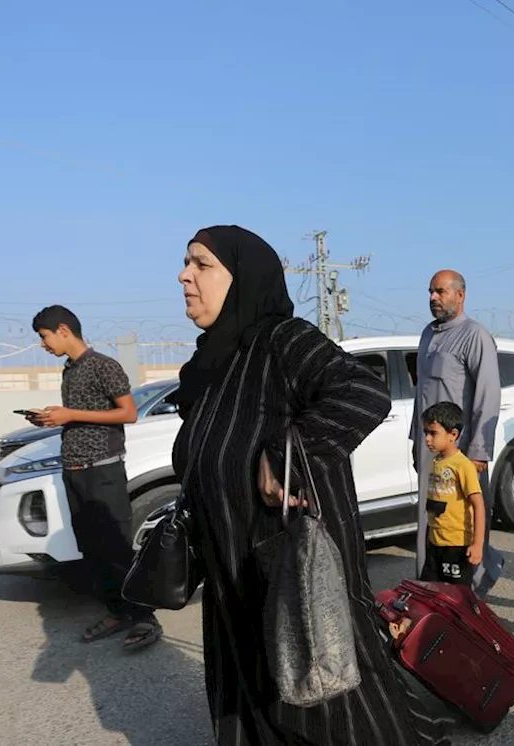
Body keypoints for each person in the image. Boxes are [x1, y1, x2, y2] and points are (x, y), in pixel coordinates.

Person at [169, 226, 448, 746]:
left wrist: (282, 454)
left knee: (331, 696)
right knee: (253, 692)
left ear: (242, 277)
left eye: (201, 264)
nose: (184, 275)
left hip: (293, 570)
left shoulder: (281, 341)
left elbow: (363, 392)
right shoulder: (210, 366)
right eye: (185, 264)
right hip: (232, 577)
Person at [26, 305, 161, 651]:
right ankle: (116, 612)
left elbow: (128, 412)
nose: (43, 345)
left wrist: (70, 413)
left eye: (44, 337)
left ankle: (145, 618)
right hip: (73, 471)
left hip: (103, 470)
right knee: (91, 550)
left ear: (63, 330)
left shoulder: (104, 365)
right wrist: (53, 419)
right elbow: (83, 418)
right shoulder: (69, 370)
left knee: (115, 547)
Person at [411, 270, 503, 594]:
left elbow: (487, 395)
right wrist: (415, 441)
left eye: (440, 292)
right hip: (429, 448)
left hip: (460, 450)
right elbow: (421, 392)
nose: (433, 298)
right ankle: (433, 587)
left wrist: (478, 449)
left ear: (460, 295)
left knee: (465, 517)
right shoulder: (426, 335)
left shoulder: (475, 335)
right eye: (430, 292)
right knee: (431, 517)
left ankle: (476, 585)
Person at [418, 402, 486, 586]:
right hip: (434, 543)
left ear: (453, 435)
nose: (427, 439)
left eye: (433, 433)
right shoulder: (436, 461)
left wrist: (477, 545)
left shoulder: (462, 465)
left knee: (456, 597)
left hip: (456, 545)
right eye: (425, 433)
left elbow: (478, 504)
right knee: (429, 591)